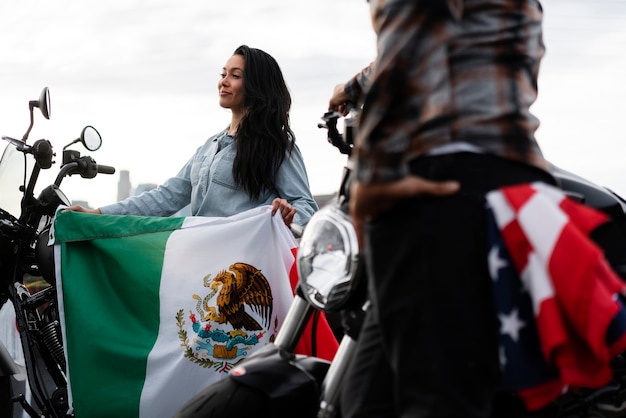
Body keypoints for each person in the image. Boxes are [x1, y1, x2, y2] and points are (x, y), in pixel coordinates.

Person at [329, 1, 558, 417]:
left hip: (434, 187)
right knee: (373, 395)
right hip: (508, 183)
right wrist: (355, 86)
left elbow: (409, 41)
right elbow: (457, 37)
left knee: (430, 400)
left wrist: (374, 179)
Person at [68, 45, 318, 229]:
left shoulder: (276, 146)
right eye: (223, 74)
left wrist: (288, 215)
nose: (224, 82)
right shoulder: (208, 147)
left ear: (257, 85)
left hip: (245, 268)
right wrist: (98, 213)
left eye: (235, 75)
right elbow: (166, 196)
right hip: (202, 266)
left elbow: (305, 205)